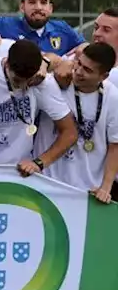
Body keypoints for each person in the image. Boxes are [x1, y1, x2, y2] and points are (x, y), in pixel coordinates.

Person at [0, 40, 76, 173]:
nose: (24, 85)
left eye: (29, 80)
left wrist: (39, 163)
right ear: (7, 63)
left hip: (19, 172)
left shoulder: (43, 83)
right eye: (17, 80)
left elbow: (70, 132)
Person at [36, 43, 118, 197]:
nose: (78, 72)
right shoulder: (55, 84)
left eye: (87, 70)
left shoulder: (113, 96)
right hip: (47, 183)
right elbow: (47, 58)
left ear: (104, 76)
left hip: (87, 190)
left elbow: (115, 146)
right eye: (79, 63)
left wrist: (106, 187)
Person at [0, 0, 85, 57]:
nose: (38, 7)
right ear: (22, 7)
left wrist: (83, 47)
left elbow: (84, 45)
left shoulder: (63, 29)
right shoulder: (4, 25)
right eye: (32, 2)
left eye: (43, 2)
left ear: (50, 8)